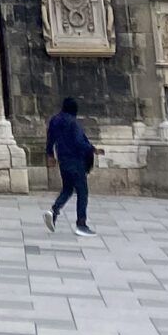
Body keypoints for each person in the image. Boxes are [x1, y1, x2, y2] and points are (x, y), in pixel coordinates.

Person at [45, 95, 96, 234]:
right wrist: (92, 149)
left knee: (67, 189)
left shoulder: (55, 120)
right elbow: (79, 141)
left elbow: (50, 139)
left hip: (63, 160)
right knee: (82, 192)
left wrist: (50, 154)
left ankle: (53, 212)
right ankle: (81, 224)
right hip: (75, 160)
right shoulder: (74, 123)